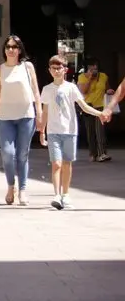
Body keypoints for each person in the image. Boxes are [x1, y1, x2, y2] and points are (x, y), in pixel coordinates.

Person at [41, 55, 104, 210]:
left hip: (69, 130)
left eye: (59, 68)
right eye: (53, 68)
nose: (56, 71)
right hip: (53, 131)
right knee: (56, 163)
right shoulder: (47, 89)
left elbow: (83, 106)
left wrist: (99, 114)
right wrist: (41, 131)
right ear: (49, 70)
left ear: (65, 70)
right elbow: (45, 112)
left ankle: (66, 194)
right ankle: (56, 194)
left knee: (67, 163)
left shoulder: (71, 87)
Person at [0, 35, 43, 206]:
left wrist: (39, 113)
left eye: (14, 47)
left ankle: (23, 189)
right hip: (5, 117)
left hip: (26, 116)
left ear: (20, 50)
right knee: (8, 154)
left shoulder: (27, 67)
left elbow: (35, 92)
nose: (11, 50)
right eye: (8, 47)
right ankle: (11, 186)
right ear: (4, 50)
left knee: (22, 154)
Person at [77, 58, 112, 162]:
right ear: (87, 68)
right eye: (92, 66)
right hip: (88, 107)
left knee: (99, 130)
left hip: (101, 107)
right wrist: (90, 78)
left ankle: (102, 153)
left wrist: (109, 90)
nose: (95, 68)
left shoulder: (103, 76)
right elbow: (83, 91)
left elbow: (107, 88)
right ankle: (93, 154)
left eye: (96, 66)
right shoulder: (82, 77)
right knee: (90, 131)